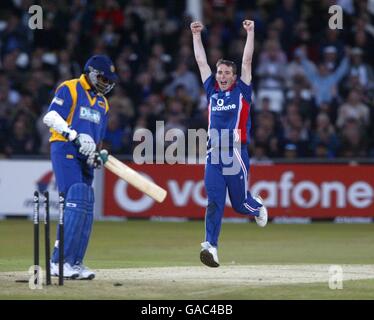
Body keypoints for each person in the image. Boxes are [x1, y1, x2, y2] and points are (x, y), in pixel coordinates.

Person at [190, 20, 268, 268]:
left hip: (236, 154)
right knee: (213, 202)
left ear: (234, 77)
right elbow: (201, 62)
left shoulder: (242, 92)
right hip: (214, 155)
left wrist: (250, 32)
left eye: (226, 73)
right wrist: (196, 35)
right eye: (219, 72)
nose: (222, 76)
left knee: (240, 204)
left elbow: (247, 62)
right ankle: (210, 247)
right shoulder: (211, 90)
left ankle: (256, 207)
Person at [42, 55, 118, 279]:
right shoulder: (71, 87)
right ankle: (58, 262)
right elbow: (51, 116)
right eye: (103, 78)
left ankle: (75, 262)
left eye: (109, 80)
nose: (106, 83)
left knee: (85, 204)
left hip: (86, 157)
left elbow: (98, 138)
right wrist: (74, 136)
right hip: (65, 148)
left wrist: (97, 154)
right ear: (92, 72)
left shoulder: (103, 103)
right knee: (74, 200)